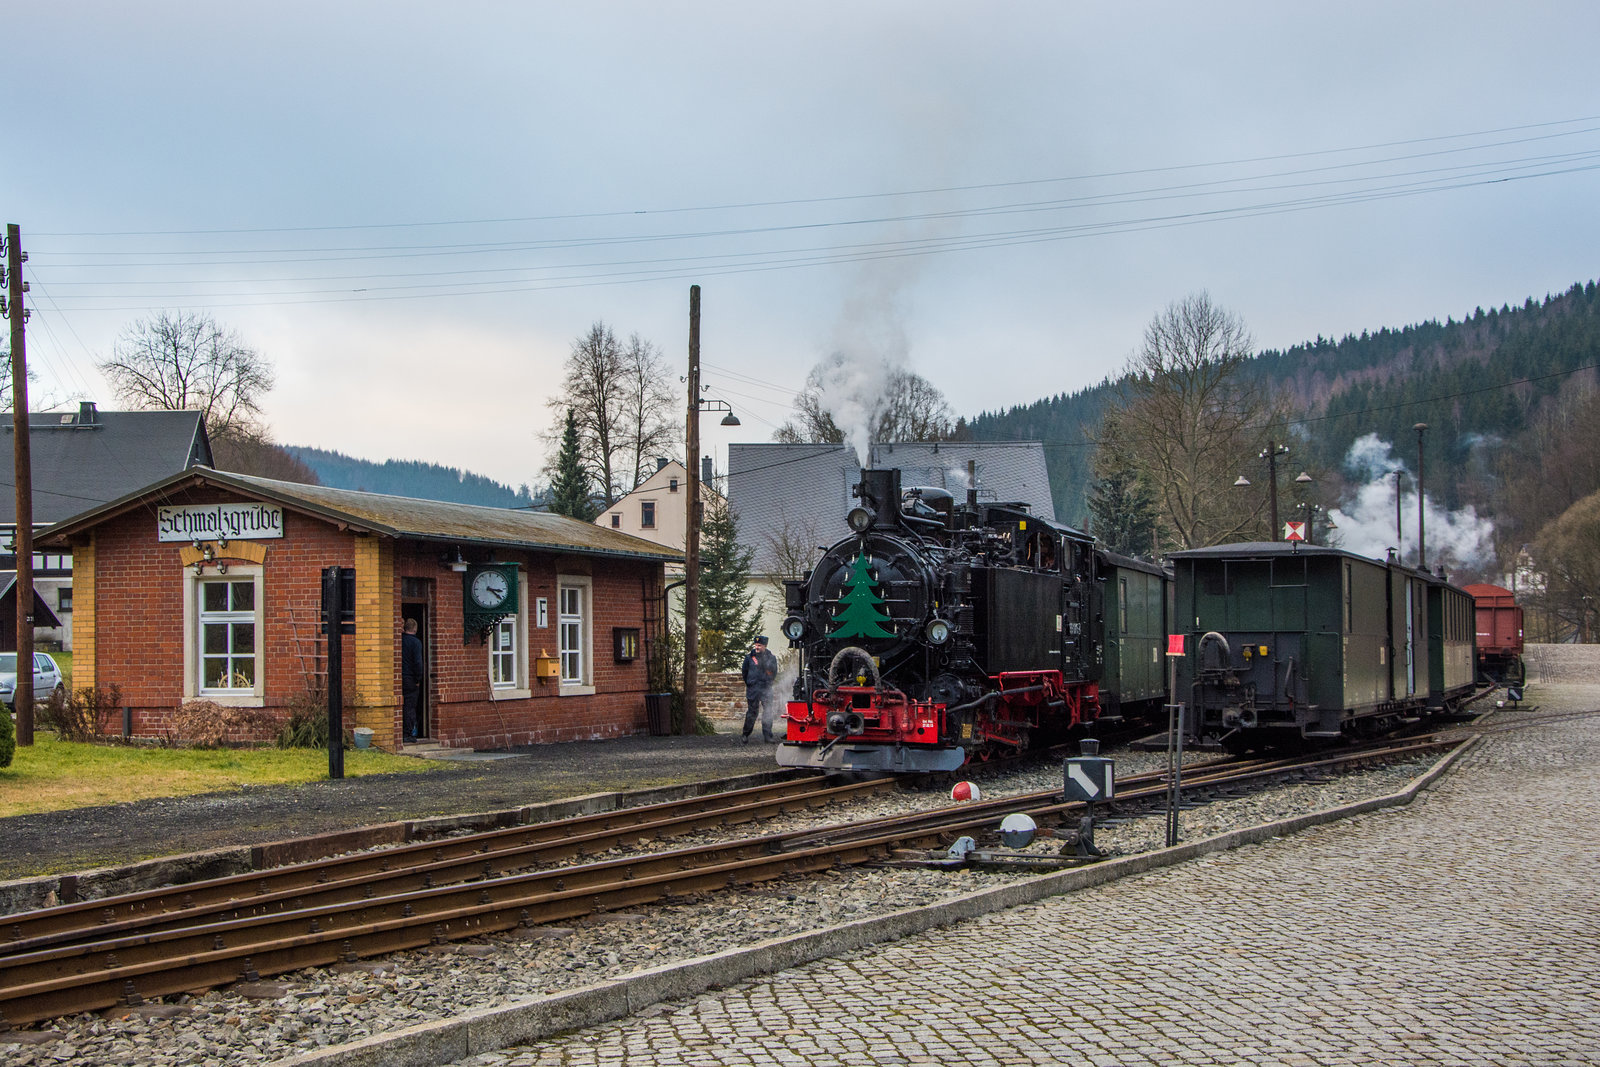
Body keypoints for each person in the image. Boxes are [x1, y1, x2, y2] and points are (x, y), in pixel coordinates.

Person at [740, 635, 779, 743]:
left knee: (768, 712)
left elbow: (774, 672)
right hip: (753, 689)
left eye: (759, 645)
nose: (757, 647)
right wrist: (750, 683)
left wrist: (768, 682)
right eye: (756, 645)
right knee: (752, 712)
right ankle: (745, 734)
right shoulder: (749, 658)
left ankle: (768, 736)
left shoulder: (771, 658)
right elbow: (745, 672)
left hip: (766, 688)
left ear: (765, 646)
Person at [401, 617, 425, 741]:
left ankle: (399, 731)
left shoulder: (400, 640)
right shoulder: (416, 643)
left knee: (401, 704)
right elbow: (418, 663)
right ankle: (407, 734)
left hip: (400, 678)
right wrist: (418, 679)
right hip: (411, 679)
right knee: (410, 707)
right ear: (415, 628)